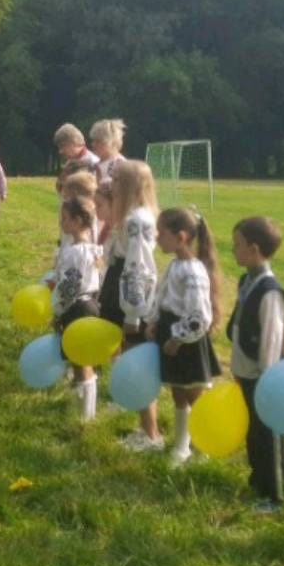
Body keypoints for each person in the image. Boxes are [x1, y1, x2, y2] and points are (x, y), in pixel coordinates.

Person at [149, 206, 223, 467]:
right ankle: (181, 448)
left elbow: (199, 315)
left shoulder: (193, 271)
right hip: (171, 333)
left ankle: (204, 448)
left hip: (187, 340)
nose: (157, 237)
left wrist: (177, 338)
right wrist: (154, 320)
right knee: (178, 393)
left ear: (180, 237)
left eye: (161, 233)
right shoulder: (175, 264)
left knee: (195, 396)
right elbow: (163, 295)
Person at [229, 216, 284, 514]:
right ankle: (258, 481)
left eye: (237, 245)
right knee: (253, 432)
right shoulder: (246, 281)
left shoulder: (270, 291)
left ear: (254, 250)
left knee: (269, 435)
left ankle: (275, 494)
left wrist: (268, 378)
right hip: (246, 373)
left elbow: (272, 338)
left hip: (265, 378)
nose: (233, 250)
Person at [110, 160, 163, 452]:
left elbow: (139, 267)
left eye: (118, 180)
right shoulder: (131, 216)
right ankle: (142, 425)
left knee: (137, 360)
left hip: (134, 296)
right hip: (123, 287)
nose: (112, 185)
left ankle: (151, 434)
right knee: (127, 354)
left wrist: (133, 312)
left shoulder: (137, 221)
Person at [48, 195, 104, 421]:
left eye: (65, 218)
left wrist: (57, 309)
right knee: (78, 359)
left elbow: (70, 287)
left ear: (78, 221)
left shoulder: (77, 252)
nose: (61, 222)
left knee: (82, 362)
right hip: (85, 305)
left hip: (77, 308)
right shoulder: (90, 249)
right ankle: (82, 402)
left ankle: (87, 416)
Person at [54, 123, 98, 191]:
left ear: (74, 142)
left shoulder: (92, 163)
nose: (60, 151)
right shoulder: (71, 161)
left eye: (62, 146)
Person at [89, 118, 127, 188]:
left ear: (112, 142)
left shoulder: (118, 164)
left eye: (98, 141)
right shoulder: (95, 163)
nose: (93, 144)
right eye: (93, 141)